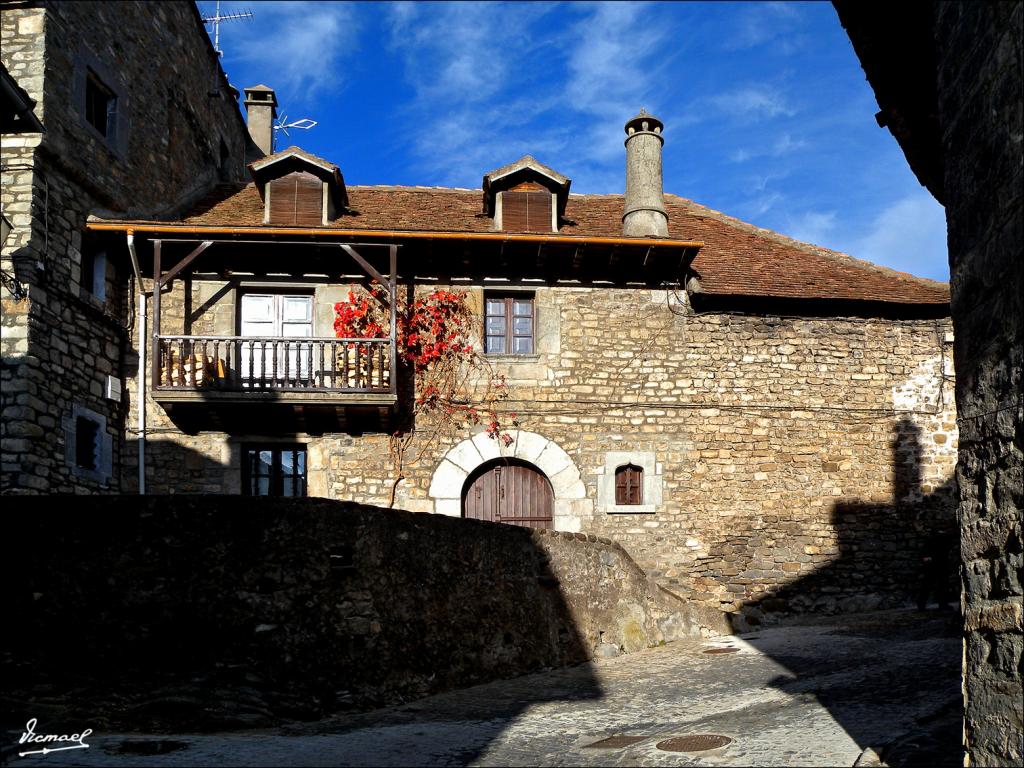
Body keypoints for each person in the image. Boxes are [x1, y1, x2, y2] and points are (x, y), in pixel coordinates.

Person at [917, 528, 952, 611]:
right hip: (937, 564)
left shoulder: (936, 538)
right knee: (938, 585)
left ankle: (924, 604)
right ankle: (941, 604)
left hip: (937, 564)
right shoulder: (943, 538)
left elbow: (924, 553)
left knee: (933, 585)